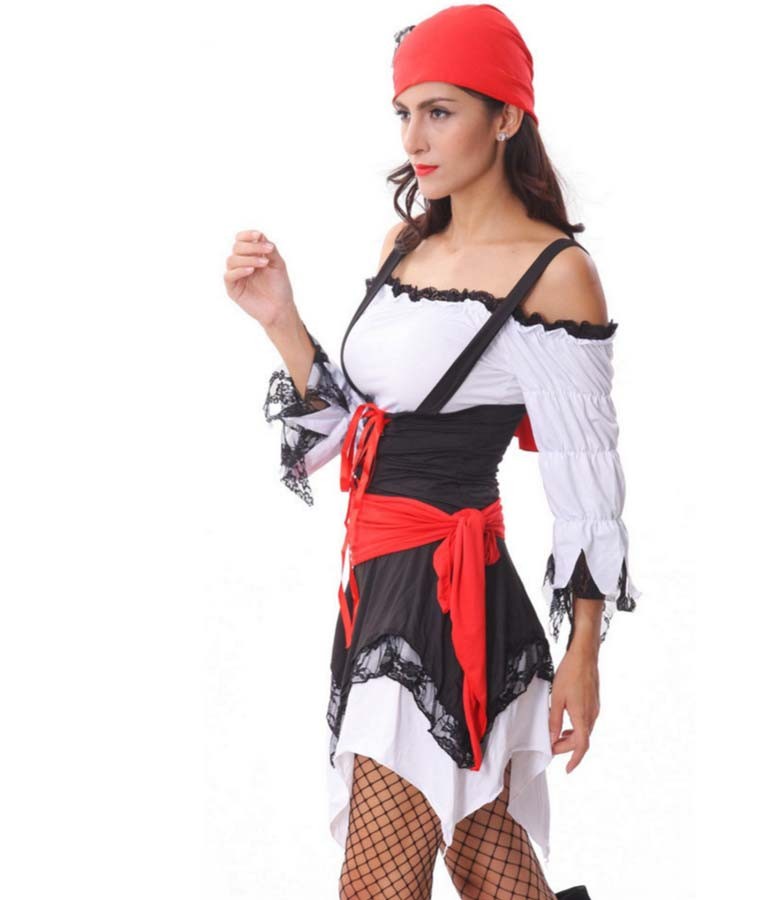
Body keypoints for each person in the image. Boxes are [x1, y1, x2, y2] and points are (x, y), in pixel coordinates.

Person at [224, 5, 640, 898]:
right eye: (404, 112)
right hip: (379, 584)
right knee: (490, 870)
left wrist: (585, 651)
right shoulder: (405, 245)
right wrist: (281, 319)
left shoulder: (554, 272)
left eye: (441, 111)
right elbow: (362, 427)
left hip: (444, 601)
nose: (414, 138)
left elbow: (586, 484)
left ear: (507, 116)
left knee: (375, 886)